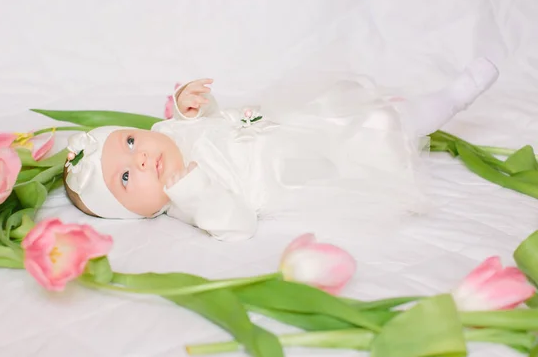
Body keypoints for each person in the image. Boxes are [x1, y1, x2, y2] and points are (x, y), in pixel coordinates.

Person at [63, 58, 500, 241]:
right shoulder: (183, 200)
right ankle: (448, 101)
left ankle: (428, 102)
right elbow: (238, 226)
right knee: (374, 141)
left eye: (130, 142)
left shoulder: (168, 133)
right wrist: (197, 194)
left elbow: (208, 124)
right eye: (126, 177)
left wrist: (193, 106)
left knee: (354, 111)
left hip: (288, 124)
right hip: (301, 169)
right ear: (140, 212)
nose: (140, 158)